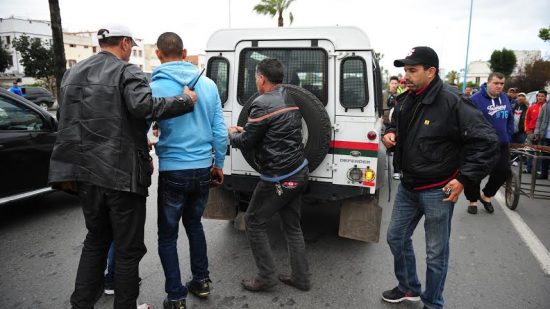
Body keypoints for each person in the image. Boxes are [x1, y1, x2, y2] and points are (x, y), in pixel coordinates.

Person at [48, 25, 197, 309]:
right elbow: (143, 107)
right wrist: (185, 100)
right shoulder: (127, 71)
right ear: (126, 43)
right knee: (128, 250)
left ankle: (80, 305)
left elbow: (68, 121)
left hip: (85, 174)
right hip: (121, 175)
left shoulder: (73, 73)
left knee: (96, 240)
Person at [381, 46, 498, 309]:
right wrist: (390, 133)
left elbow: (487, 141)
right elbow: (396, 123)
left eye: (412, 70)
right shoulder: (406, 98)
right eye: (405, 70)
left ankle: (433, 303)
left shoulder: (452, 100)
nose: (406, 76)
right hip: (409, 186)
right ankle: (409, 287)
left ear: (431, 72)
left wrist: (464, 179)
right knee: (395, 237)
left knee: (435, 254)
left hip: (438, 191)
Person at [150, 32, 227, 309]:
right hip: (203, 167)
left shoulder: (153, 87)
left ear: (158, 54)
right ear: (184, 53)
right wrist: (219, 164)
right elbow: (220, 131)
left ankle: (175, 296)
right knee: (194, 225)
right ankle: (202, 281)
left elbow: (145, 130)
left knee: (167, 235)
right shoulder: (207, 84)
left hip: (173, 170)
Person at [229, 58, 311, 293]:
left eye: (256, 76)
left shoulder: (261, 102)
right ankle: (301, 279)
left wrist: (232, 134)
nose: (256, 80)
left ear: (262, 78)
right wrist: (248, 130)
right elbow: (273, 130)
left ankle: (266, 277)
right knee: (293, 227)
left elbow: (246, 142)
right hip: (299, 170)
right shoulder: (288, 96)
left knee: (254, 222)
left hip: (279, 177)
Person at [464, 72, 514, 215]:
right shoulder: (475, 99)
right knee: (475, 174)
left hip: (502, 143)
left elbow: (510, 118)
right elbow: (469, 122)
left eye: (502, 84)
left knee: (503, 171)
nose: (499, 86)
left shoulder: (505, 98)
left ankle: (486, 196)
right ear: (488, 83)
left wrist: (508, 135)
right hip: (481, 144)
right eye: (496, 83)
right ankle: (472, 201)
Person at [524, 90, 547, 173]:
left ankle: (538, 169)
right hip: (531, 132)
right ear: (537, 97)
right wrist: (527, 130)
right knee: (530, 151)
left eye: (542, 96)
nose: (540, 97)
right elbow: (527, 119)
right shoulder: (532, 107)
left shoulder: (547, 107)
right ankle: (529, 168)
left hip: (541, 133)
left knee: (540, 151)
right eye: (539, 96)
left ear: (545, 97)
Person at [534, 92, 550, 179]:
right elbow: (539, 120)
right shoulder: (546, 105)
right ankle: (544, 174)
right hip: (546, 134)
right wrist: (537, 132)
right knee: (545, 156)